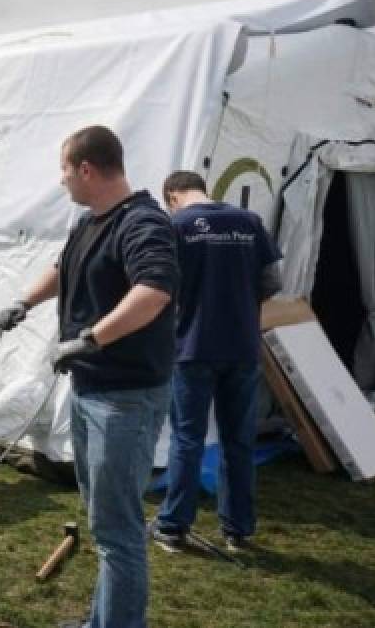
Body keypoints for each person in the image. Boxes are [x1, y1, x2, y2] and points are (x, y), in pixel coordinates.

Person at [0, 125, 178, 628]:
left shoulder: (143, 224)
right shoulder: (90, 222)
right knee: (106, 523)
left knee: (118, 533)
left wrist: (91, 338)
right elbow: (64, 266)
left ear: (86, 169)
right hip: (91, 390)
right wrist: (25, 301)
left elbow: (153, 292)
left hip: (125, 399)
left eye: (64, 171)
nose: (61, 182)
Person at [150, 171, 282, 554]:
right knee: (238, 440)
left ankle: (174, 526)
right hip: (242, 346)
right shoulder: (249, 222)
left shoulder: (175, 226)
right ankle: (238, 530)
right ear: (203, 188)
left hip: (192, 345)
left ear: (172, 196)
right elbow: (272, 283)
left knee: (187, 438)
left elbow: (158, 284)